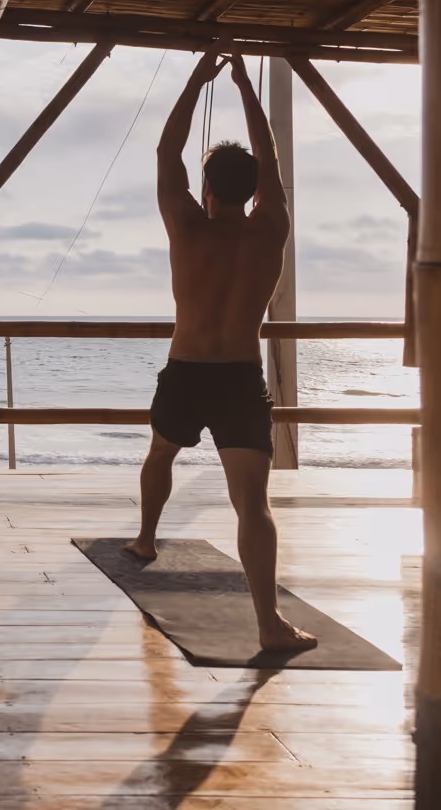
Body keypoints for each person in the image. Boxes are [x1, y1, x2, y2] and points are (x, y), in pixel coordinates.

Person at [125, 51, 317, 653]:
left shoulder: (187, 225)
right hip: (239, 377)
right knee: (252, 505)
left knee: (160, 455)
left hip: (187, 372)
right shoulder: (272, 228)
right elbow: (273, 168)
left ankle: (147, 539)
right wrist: (242, 84)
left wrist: (196, 78)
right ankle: (268, 623)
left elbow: (165, 156)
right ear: (257, 187)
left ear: (206, 187)